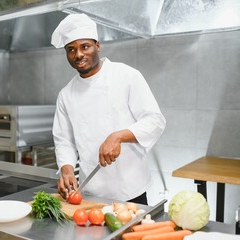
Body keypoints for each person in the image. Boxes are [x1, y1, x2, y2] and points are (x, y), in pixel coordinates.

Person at [51, 13, 166, 205]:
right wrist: (67, 168)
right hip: (91, 191)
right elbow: (64, 140)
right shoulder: (66, 94)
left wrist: (119, 136)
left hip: (131, 188)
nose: (78, 54)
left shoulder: (126, 76)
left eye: (84, 46)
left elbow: (155, 120)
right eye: (71, 49)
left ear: (97, 45)